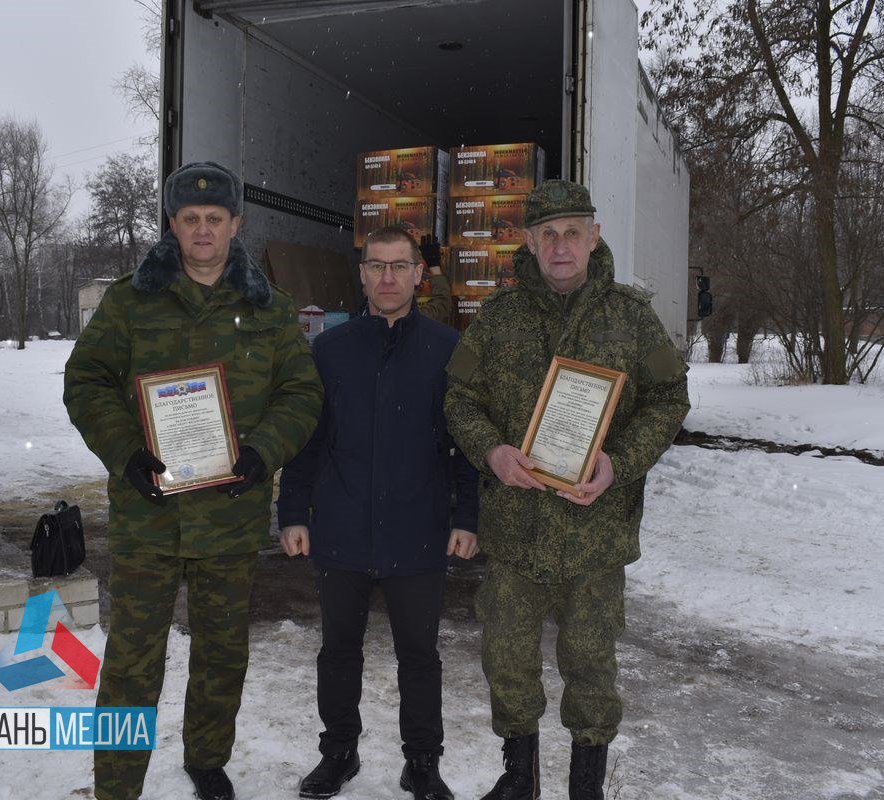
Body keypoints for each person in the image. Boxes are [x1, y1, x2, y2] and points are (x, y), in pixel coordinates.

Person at [63, 161, 323, 800]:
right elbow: (85, 380)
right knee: (131, 662)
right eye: (190, 219)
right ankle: (117, 783)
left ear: (235, 225)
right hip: (147, 517)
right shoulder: (130, 300)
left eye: (215, 219)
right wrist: (125, 453)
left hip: (230, 519)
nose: (203, 231)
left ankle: (208, 759)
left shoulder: (270, 310)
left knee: (221, 653)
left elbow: (301, 391)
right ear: (173, 225)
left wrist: (264, 452)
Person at [443, 180, 690, 800]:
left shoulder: (632, 317)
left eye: (572, 232)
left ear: (594, 237)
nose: (560, 246)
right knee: (508, 659)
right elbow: (460, 399)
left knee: (590, 664)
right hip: (514, 526)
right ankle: (518, 777)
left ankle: (587, 786)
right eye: (547, 234)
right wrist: (493, 453)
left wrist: (620, 462)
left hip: (594, 532)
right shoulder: (497, 318)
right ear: (528, 242)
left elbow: (670, 399)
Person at [277, 225, 479, 800]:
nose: (387, 277)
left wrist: (466, 518)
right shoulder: (330, 351)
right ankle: (338, 752)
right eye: (376, 266)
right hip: (341, 529)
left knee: (420, 655)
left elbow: (465, 443)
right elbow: (307, 443)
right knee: (338, 650)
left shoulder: (448, 350)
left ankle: (422, 762)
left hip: (419, 531)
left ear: (419, 273)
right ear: (361, 274)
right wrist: (294, 513)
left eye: (399, 266)